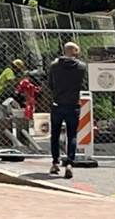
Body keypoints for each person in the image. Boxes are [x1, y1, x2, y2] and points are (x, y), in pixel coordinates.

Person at [47, 42, 86, 179]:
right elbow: (83, 84)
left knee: (55, 135)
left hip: (57, 104)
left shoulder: (54, 66)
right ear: (75, 51)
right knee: (72, 135)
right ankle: (69, 163)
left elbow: (50, 84)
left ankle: (55, 162)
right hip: (73, 104)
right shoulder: (81, 67)